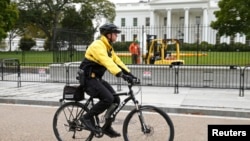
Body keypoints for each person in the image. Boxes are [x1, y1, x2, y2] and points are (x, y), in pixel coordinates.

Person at [79, 23, 138, 138]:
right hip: (88, 79)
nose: (117, 36)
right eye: (115, 33)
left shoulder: (108, 47)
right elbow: (107, 61)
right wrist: (121, 75)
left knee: (116, 99)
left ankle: (106, 127)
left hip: (96, 78)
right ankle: (86, 117)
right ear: (108, 35)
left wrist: (130, 75)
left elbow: (117, 61)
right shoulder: (98, 45)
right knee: (108, 98)